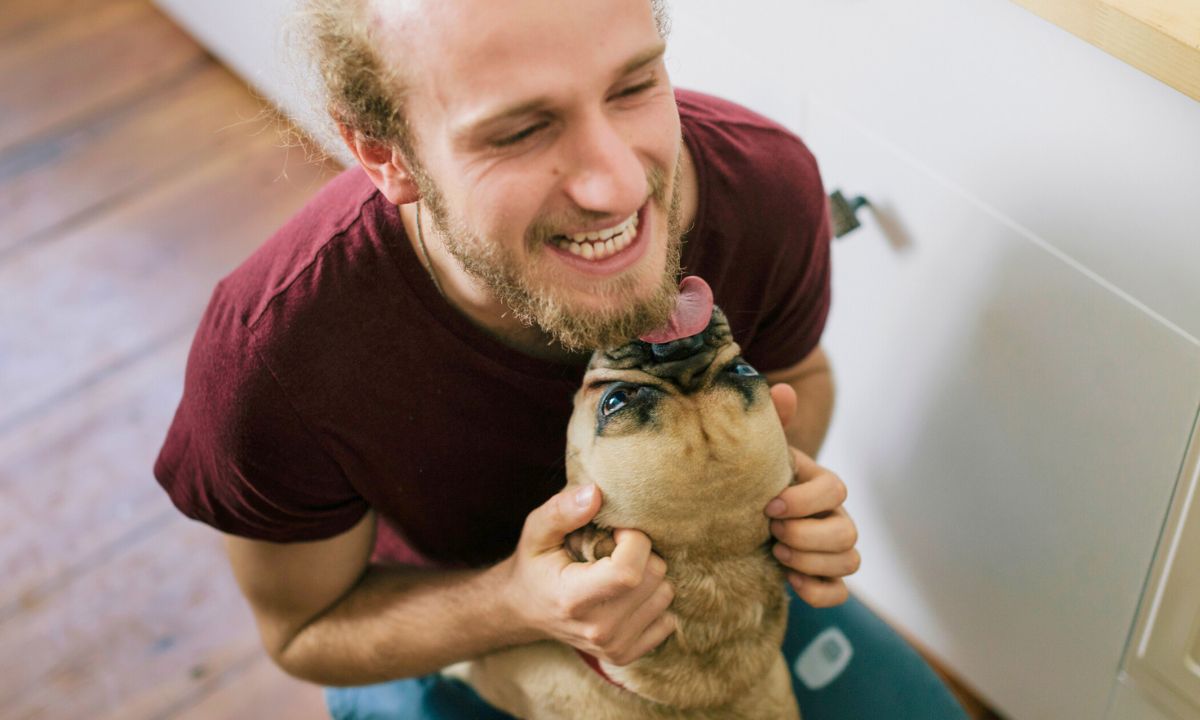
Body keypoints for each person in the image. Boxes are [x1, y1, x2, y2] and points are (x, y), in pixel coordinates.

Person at [155, 0, 968, 717]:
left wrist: (764, 497)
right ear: (386, 157)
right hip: (445, 622)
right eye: (519, 130)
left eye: (634, 85)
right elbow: (304, 628)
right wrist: (514, 604)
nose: (618, 186)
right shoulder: (276, 355)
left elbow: (802, 379)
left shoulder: (766, 187)